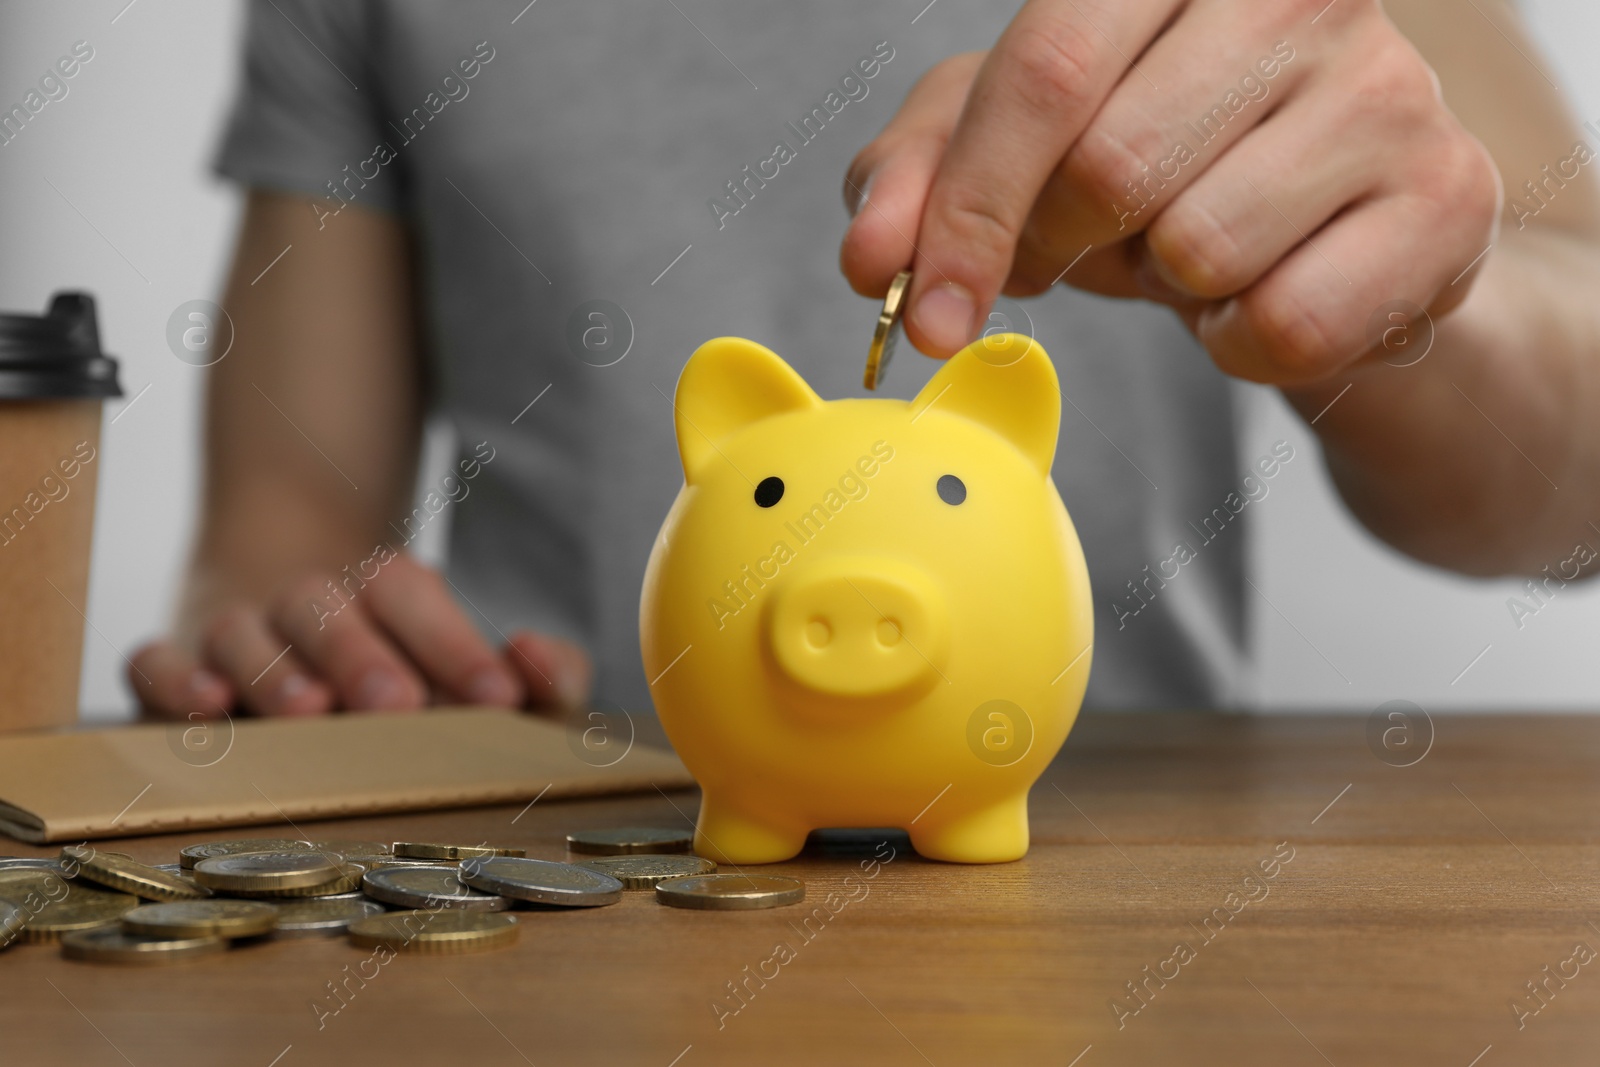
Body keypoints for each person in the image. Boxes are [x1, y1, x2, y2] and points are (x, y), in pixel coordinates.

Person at [131, 0, 1600, 721]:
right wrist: (286, 652)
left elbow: (1579, 490)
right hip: (548, 881)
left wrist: (1403, 298)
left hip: (1120, 887)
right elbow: (277, 537)